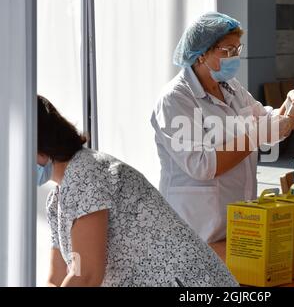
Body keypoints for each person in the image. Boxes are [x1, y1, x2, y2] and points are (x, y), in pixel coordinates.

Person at [37, 95, 238, 287]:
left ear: (40, 145)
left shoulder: (87, 174)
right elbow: (57, 277)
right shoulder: (58, 200)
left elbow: (87, 276)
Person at [151, 12, 294, 244]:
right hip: (197, 227)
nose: (234, 57)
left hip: (238, 220)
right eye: (227, 51)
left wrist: (292, 104)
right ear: (202, 54)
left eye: (237, 50)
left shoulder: (230, 87)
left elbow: (272, 126)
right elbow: (202, 165)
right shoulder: (175, 99)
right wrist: (257, 135)